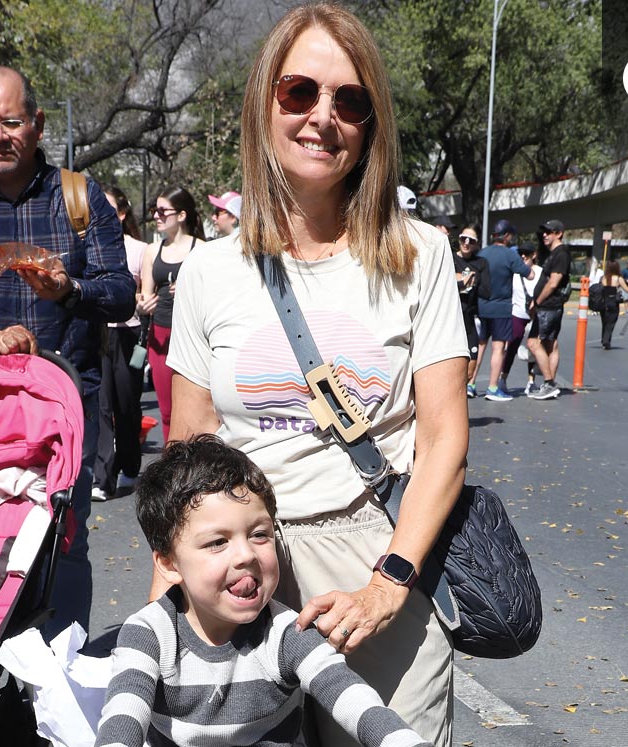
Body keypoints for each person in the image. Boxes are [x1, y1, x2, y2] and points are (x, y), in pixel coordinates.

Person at [165, 6, 467, 744]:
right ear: (266, 101)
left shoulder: (420, 254)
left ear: (371, 125)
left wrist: (387, 585)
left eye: (350, 101)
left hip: (375, 560)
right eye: (300, 92)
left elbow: (444, 438)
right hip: (241, 567)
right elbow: (188, 454)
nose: (322, 117)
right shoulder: (208, 270)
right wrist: (169, 610)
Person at [0, 65, 135, 636]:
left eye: (11, 122)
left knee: (65, 539)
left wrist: (71, 289)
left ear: (36, 124)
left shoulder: (80, 198)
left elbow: (120, 294)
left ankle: (59, 680)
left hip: (68, 406)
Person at [95, 435, 432, 747]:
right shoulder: (149, 634)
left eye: (259, 534)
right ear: (169, 564)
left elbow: (353, 699)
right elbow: (123, 715)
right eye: (217, 542)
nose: (245, 555)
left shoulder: (287, 632)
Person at [92, 185, 149, 501]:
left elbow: (147, 291)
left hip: (130, 334)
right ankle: (104, 476)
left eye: (108, 207)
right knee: (101, 405)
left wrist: (142, 301)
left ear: (122, 213)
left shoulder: (140, 250)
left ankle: (130, 465)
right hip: (100, 332)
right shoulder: (90, 245)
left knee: (126, 405)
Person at [139, 187, 205, 443]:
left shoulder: (200, 249)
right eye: (154, 210)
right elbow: (144, 294)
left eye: (162, 210)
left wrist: (191, 290)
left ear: (181, 215)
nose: (156, 215)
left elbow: (213, 293)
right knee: (167, 411)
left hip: (193, 337)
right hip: (160, 336)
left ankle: (197, 466)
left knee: (197, 407)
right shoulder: (151, 250)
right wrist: (142, 307)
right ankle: (172, 467)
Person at [474, 219, 533, 401]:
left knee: (481, 346)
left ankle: (471, 383)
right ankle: (492, 388)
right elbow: (529, 275)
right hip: (501, 308)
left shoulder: (483, 253)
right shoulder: (510, 255)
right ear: (506, 236)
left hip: (482, 306)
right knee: (498, 348)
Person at [525, 219, 570, 400]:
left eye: (549, 231)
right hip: (549, 306)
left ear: (558, 233)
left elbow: (553, 283)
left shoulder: (561, 254)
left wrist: (537, 301)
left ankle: (549, 382)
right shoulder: (555, 253)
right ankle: (548, 384)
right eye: (543, 231)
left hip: (549, 306)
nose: (544, 234)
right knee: (550, 344)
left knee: (533, 343)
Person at [501, 242, 540, 393]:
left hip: (535, 315)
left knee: (533, 348)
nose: (523, 256)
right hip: (517, 314)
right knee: (511, 347)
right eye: (520, 253)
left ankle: (531, 382)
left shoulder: (540, 272)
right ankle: (503, 380)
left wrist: (536, 304)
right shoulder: (515, 272)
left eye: (527, 253)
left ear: (534, 255)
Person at [453, 225, 483, 397]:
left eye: (470, 240)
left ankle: (456, 395)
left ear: (476, 244)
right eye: (463, 238)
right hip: (451, 322)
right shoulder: (449, 259)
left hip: (469, 319)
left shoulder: (480, 263)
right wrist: (461, 282)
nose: (466, 243)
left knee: (470, 369)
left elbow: (486, 290)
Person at [597, 259, 628, 349]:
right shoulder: (618, 278)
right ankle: (606, 341)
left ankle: (604, 339)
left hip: (603, 302)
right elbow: (627, 289)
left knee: (604, 322)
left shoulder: (603, 278)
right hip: (613, 302)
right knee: (611, 322)